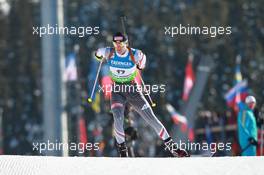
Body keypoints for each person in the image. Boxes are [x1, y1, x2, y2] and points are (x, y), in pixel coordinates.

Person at [94, 32, 189, 157]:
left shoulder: (135, 54)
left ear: (126, 43)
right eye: (115, 43)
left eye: (120, 43)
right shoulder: (109, 52)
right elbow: (97, 55)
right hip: (117, 90)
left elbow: (142, 65)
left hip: (133, 90)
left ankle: (173, 148)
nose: (117, 46)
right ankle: (123, 152)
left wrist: (139, 60)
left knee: (151, 119)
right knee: (117, 117)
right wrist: (98, 54)